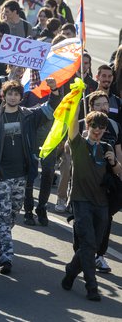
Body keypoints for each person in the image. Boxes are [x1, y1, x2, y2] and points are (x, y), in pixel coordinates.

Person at [0, 78, 58, 274]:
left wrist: (54, 90)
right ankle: (6, 257)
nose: (13, 97)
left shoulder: (28, 116)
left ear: (20, 97)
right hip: (0, 177)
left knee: (13, 214)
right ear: (4, 96)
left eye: (17, 94)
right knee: (4, 214)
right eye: (10, 93)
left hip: (22, 175)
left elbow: (51, 108)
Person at [62, 109, 122, 301]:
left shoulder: (106, 148)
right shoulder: (78, 143)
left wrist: (114, 163)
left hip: (102, 203)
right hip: (81, 201)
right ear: (87, 126)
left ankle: (71, 270)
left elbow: (119, 172)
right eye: (93, 126)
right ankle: (92, 287)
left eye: (102, 127)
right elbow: (71, 125)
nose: (97, 130)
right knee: (88, 243)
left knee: (93, 245)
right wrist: (75, 98)